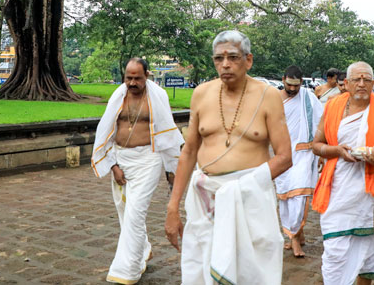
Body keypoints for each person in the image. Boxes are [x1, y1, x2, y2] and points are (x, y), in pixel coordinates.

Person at [164, 30, 291, 285]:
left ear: (248, 60)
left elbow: (285, 157)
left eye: (233, 57)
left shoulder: (268, 96)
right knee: (202, 267)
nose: (225, 64)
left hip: (250, 199)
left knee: (253, 271)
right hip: (205, 198)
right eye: (218, 58)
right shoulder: (201, 94)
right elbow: (189, 151)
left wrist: (243, 186)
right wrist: (172, 206)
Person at [311, 62, 374, 284]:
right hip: (339, 190)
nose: (362, 84)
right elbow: (316, 145)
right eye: (357, 79)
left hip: (372, 193)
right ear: (346, 83)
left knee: (371, 253)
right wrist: (336, 151)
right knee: (334, 252)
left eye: (367, 79)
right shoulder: (332, 106)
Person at [91, 58, 184, 284]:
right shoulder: (118, 96)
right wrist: (113, 166)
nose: (132, 83)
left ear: (147, 76)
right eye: (128, 78)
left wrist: (171, 170)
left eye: (137, 78)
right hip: (121, 158)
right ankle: (143, 250)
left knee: (135, 212)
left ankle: (127, 271)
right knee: (125, 211)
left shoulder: (158, 96)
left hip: (148, 159)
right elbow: (107, 132)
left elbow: (168, 133)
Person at [275, 65, 324, 258]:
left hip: (305, 153)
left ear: (301, 82)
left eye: (296, 85)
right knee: (286, 196)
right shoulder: (274, 99)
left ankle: (294, 238)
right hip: (282, 155)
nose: (293, 89)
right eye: (289, 85)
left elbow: (321, 122)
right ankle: (296, 233)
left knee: (300, 195)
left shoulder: (308, 97)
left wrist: (320, 151)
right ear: (283, 80)